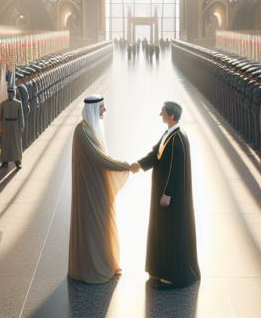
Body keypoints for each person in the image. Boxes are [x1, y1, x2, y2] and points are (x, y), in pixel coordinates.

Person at [131, 101, 200, 289]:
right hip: (163, 193)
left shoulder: (177, 139)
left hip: (171, 199)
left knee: (171, 233)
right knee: (162, 230)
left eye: (162, 112)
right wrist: (140, 164)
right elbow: (156, 154)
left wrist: (167, 195)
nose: (160, 114)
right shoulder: (170, 133)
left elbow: (174, 171)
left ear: (171, 116)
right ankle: (160, 269)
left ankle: (172, 275)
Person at [68, 95, 132, 284]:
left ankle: (109, 263)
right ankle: (94, 269)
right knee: (95, 226)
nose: (104, 111)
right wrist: (126, 166)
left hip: (96, 185)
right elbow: (99, 158)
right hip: (90, 189)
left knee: (105, 222)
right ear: (93, 109)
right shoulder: (83, 132)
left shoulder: (90, 128)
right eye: (102, 108)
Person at [0, 87, 25, 169]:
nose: (11, 94)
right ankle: (4, 161)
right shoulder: (3, 104)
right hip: (6, 124)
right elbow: (0, 117)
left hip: (15, 124)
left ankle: (17, 160)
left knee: (16, 143)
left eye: (12, 92)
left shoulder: (18, 103)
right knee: (5, 143)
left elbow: (21, 115)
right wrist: (0, 127)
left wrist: (21, 126)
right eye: (9, 92)